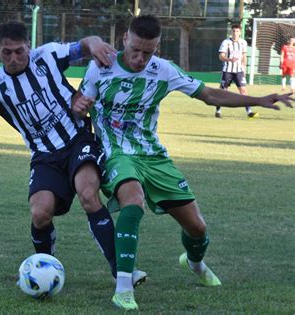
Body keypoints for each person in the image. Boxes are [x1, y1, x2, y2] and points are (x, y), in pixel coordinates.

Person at [73, 14, 293, 311]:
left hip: (155, 156)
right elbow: (78, 108)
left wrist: (257, 100)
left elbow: (209, 94)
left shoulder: (163, 70)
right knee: (133, 201)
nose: (139, 58)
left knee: (197, 228)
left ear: (157, 47)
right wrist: (80, 106)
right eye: (135, 49)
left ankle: (195, 262)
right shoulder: (100, 67)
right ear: (125, 38)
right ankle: (123, 287)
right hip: (116, 152)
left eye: (147, 52)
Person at [0, 21, 147, 287]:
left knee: (88, 193)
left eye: (19, 51)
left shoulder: (47, 55)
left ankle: (121, 271)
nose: (14, 58)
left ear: (29, 47)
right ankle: (43, 270)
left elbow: (83, 45)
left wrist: (95, 41)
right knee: (40, 213)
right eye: (7, 53)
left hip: (78, 140)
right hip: (44, 156)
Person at [215, 24, 258, 119]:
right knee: (223, 92)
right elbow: (221, 56)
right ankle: (218, 111)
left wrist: (244, 70)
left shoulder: (243, 42)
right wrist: (230, 60)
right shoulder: (226, 42)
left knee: (243, 91)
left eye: (237, 31)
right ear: (231, 32)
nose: (235, 33)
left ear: (240, 32)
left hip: (239, 71)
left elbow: (244, 57)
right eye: (233, 31)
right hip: (227, 71)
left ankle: (249, 112)